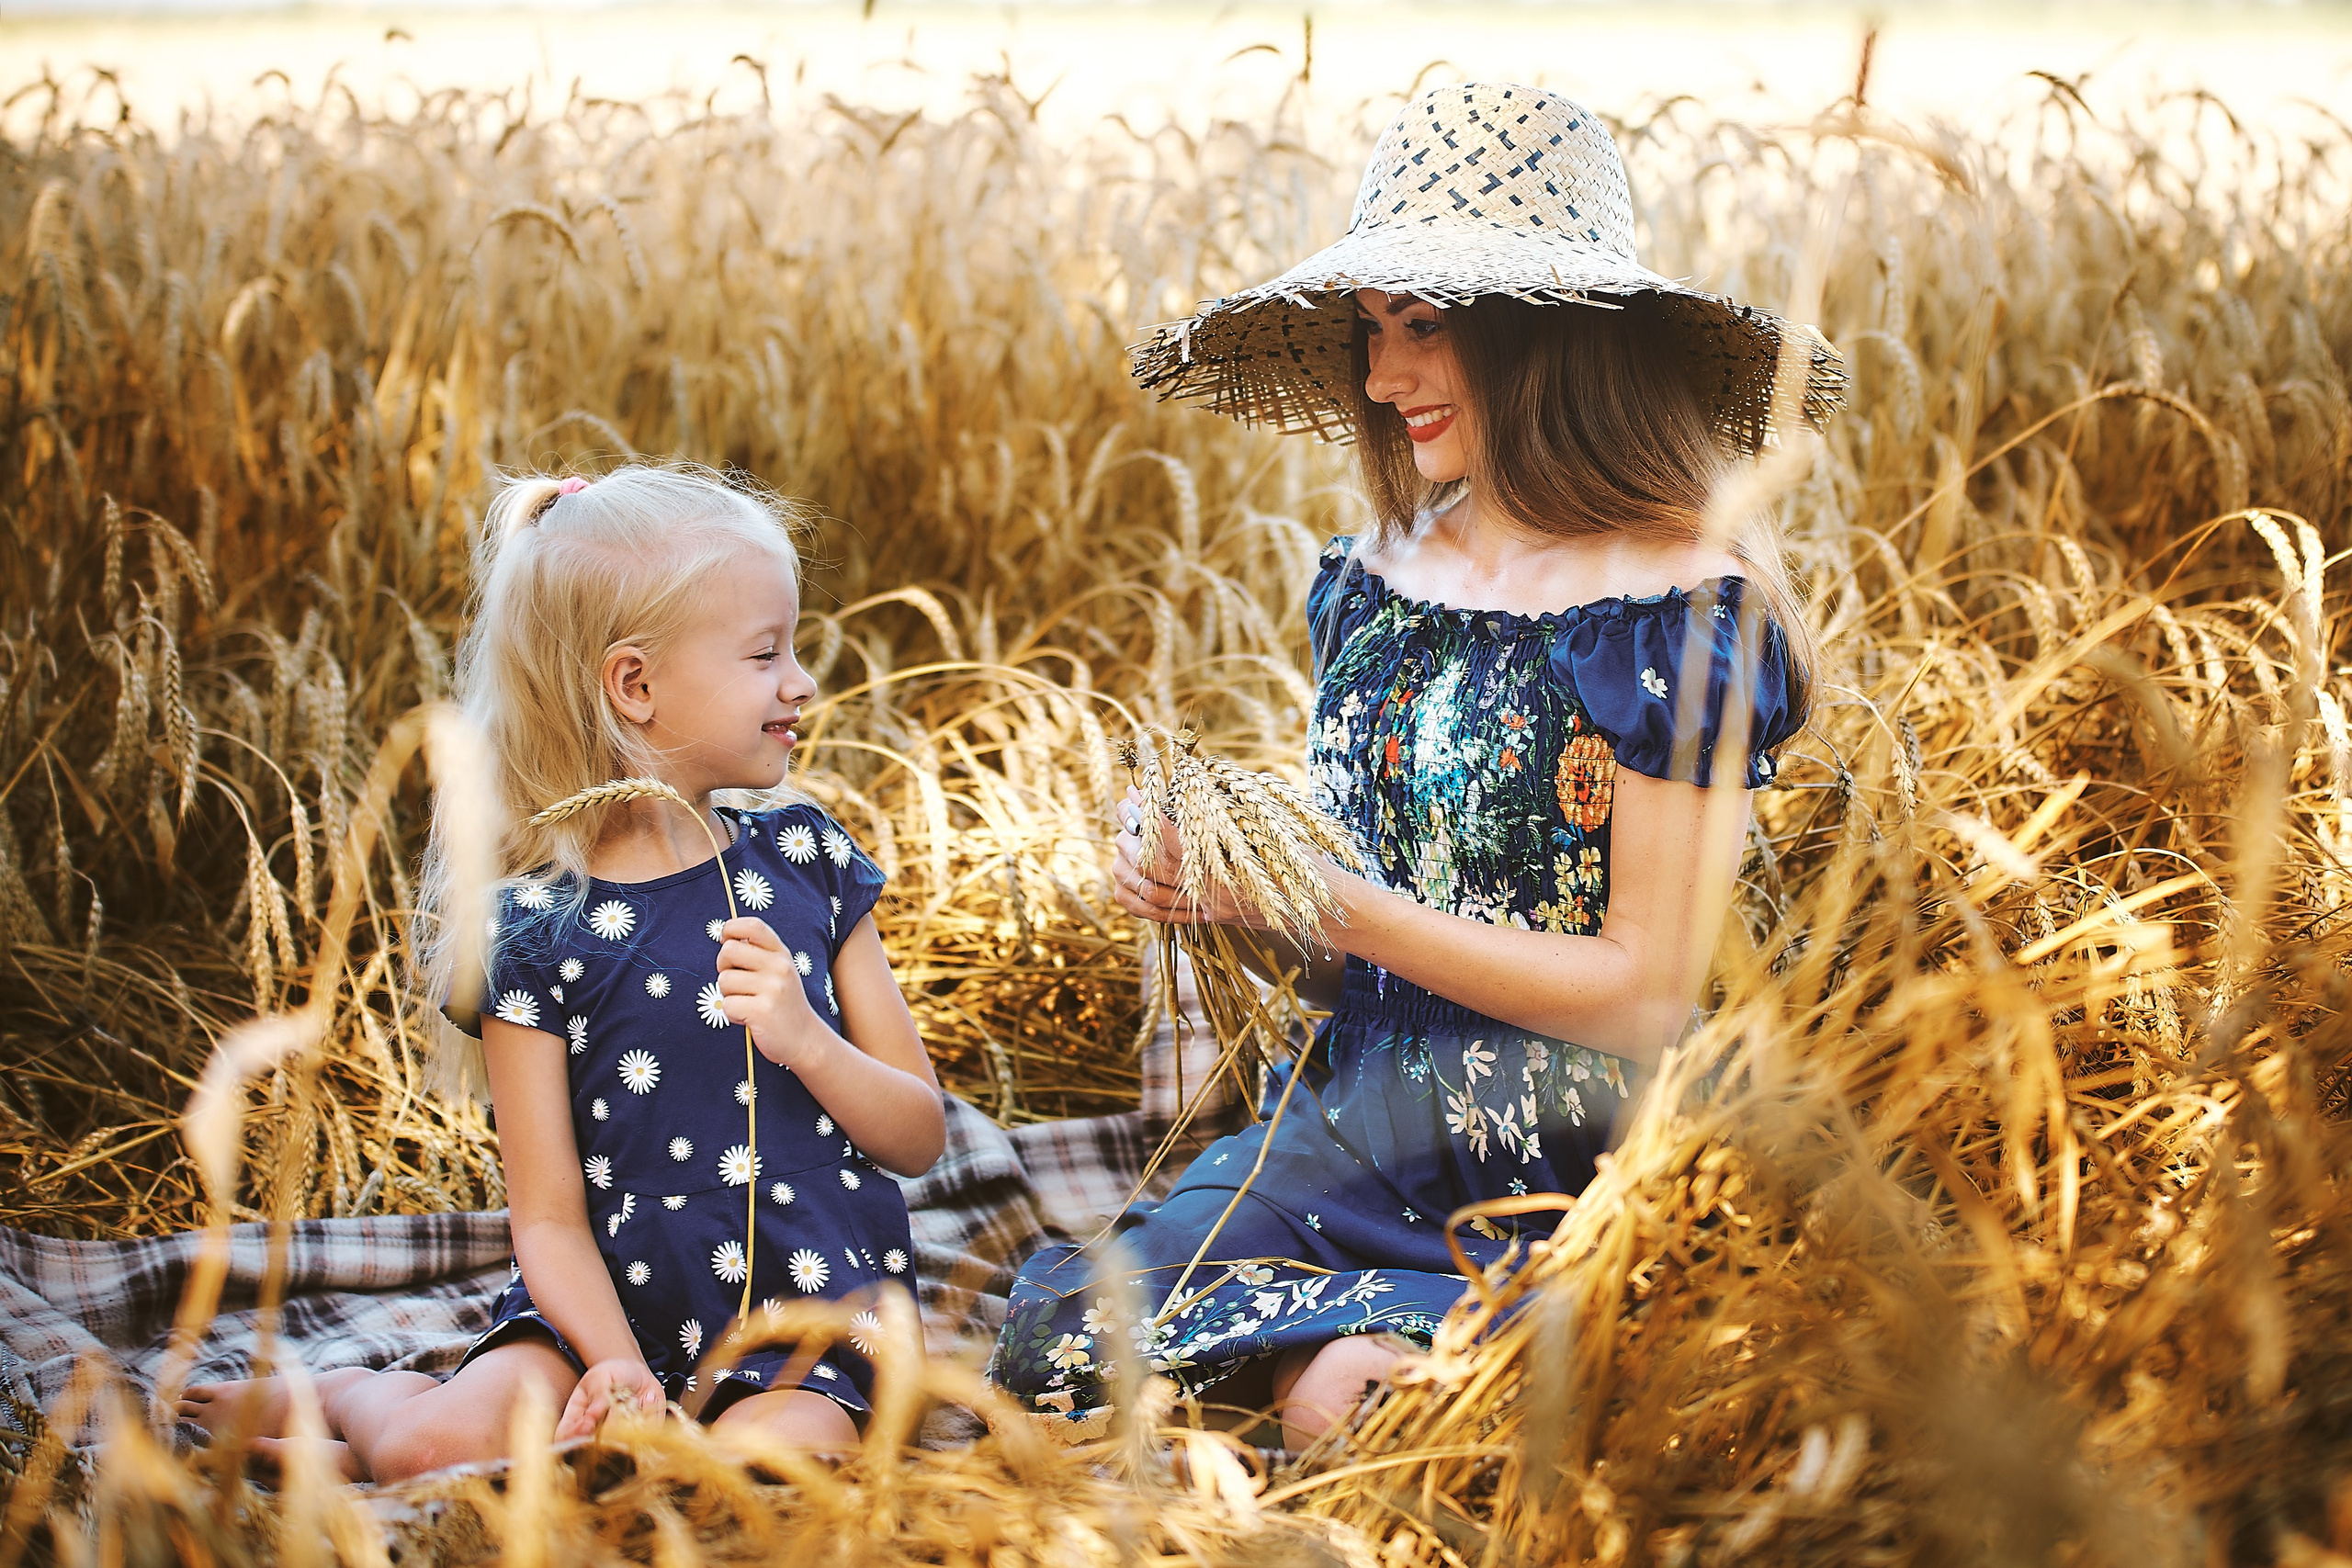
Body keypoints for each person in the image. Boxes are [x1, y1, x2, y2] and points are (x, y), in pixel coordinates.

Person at [989, 84, 1844, 1449]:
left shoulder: (1682, 615)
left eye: (1426, 328)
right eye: (1374, 332)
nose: (1385, 381)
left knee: (1448, 1404)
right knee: (1061, 1328)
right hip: (1358, 1119)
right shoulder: (1375, 584)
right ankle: (1329, 1354)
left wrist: (1341, 906)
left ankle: (1340, 1363)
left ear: (1550, 338)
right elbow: (1359, 963)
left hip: (1582, 1155)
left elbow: (1642, 992)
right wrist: (1240, 892)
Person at [179, 464, 945, 1480]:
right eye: (767, 654)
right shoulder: (535, 931)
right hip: (605, 1306)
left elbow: (919, 1136)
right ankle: (359, 1400)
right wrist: (620, 1372)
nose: (801, 681)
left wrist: (806, 1039)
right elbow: (544, 1215)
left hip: (802, 1317)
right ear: (634, 685)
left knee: (768, 1480)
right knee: (436, 1450)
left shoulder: (808, 864)